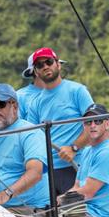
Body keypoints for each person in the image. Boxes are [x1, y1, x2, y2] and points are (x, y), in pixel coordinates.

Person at [0, 84, 50, 217]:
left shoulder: (30, 132)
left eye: (1, 104)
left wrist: (5, 194)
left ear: (14, 106)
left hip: (28, 211)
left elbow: (35, 173)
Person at [20, 47, 94, 195]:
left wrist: (73, 148)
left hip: (77, 165)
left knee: (78, 215)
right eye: (40, 65)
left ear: (58, 64)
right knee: (49, 216)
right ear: (35, 72)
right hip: (47, 171)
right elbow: (32, 138)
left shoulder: (78, 91)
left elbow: (94, 126)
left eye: (49, 62)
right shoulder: (35, 103)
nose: (45, 66)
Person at [59, 104, 109, 217]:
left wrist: (60, 200)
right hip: (79, 212)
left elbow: (88, 192)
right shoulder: (87, 150)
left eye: (97, 121)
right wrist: (58, 203)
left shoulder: (107, 152)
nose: (92, 125)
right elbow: (77, 186)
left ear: (107, 124)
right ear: (84, 125)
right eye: (88, 121)